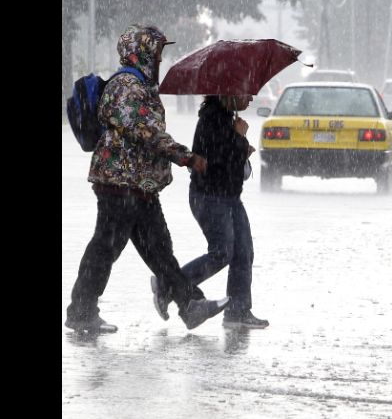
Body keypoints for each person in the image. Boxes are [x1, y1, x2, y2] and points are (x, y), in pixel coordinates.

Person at [65, 24, 230, 334]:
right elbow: (146, 131)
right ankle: (81, 311)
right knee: (105, 248)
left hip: (138, 185)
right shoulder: (126, 86)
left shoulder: (139, 85)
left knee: (159, 249)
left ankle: (190, 305)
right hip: (120, 184)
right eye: (156, 54)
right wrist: (185, 156)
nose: (159, 61)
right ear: (140, 54)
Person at [151, 94, 269, 329]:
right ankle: (168, 287)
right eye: (245, 92)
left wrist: (241, 148)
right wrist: (239, 139)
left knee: (243, 252)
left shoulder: (227, 119)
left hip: (230, 197)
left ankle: (238, 310)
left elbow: (231, 163)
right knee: (222, 252)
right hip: (210, 197)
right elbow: (214, 161)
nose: (250, 97)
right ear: (229, 92)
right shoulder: (212, 120)